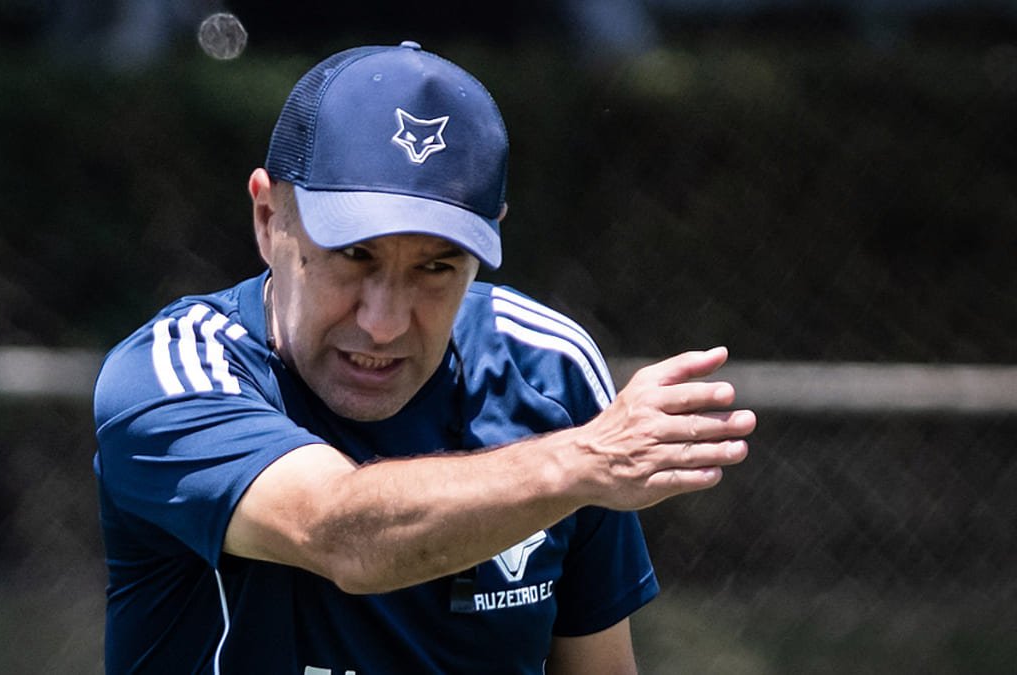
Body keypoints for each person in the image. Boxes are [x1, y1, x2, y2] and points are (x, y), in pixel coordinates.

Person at [93, 40, 755, 674]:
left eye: (436, 267)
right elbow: (337, 531)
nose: (383, 323)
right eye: (355, 256)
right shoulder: (174, 373)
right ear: (270, 219)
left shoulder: (547, 372)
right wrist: (580, 460)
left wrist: (579, 456)